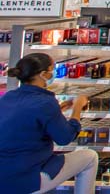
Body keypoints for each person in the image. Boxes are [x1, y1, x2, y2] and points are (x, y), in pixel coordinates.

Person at [0, 53, 98, 194]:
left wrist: (58, 110)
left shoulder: (8, 97)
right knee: (90, 157)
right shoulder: (45, 102)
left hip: (4, 176)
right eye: (52, 69)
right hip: (27, 179)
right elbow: (65, 138)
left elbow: (27, 120)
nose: (54, 73)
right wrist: (77, 108)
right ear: (43, 74)